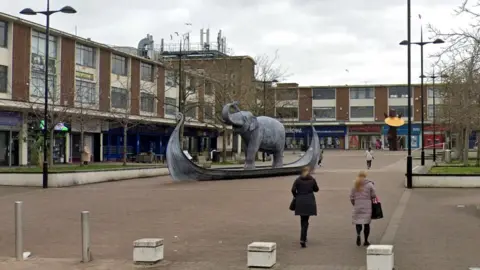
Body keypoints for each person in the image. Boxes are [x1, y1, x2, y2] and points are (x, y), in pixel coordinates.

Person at [291, 166, 319, 248]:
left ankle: (303, 237)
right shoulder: (312, 180)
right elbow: (316, 189)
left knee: (303, 219)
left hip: (300, 200)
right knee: (306, 220)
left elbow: (293, 189)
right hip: (309, 200)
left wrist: (296, 195)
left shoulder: (298, 180)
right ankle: (303, 238)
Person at [350, 171, 377, 247]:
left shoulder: (355, 185)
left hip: (357, 205)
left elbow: (351, 197)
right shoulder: (369, 184)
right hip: (367, 205)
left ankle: (358, 234)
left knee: (358, 222)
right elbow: (373, 195)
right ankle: (366, 240)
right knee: (366, 224)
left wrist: (354, 203)